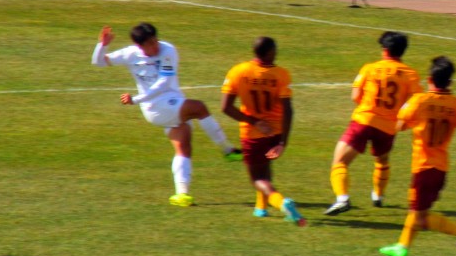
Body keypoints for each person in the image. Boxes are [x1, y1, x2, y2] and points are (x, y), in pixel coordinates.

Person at [92, 22, 242, 207]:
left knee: (184, 147)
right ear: (140, 46)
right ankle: (227, 150)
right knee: (199, 107)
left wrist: (136, 99)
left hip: (171, 103)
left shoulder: (168, 50)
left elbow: (163, 82)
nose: (155, 46)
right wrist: (103, 45)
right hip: (155, 108)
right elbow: (98, 62)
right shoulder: (130, 54)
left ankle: (182, 195)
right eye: (150, 44)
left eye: (156, 40)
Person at [379, 56, 456, 256]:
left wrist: (411, 123)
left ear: (429, 79)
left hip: (424, 168)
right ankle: (402, 246)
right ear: (450, 82)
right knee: (416, 209)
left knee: (420, 217)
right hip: (440, 168)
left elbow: (399, 124)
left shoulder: (419, 101)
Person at [324, 31, 421, 215]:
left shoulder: (369, 68)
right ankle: (378, 196)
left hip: (364, 121)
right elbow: (416, 103)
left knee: (340, 162)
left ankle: (342, 198)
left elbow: (355, 96)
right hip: (388, 127)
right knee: (382, 160)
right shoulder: (411, 74)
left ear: (384, 50)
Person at [221, 36, 305, 225]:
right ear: (269, 52)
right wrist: (283, 141)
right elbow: (288, 110)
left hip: (252, 134)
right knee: (265, 168)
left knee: (257, 178)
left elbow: (225, 107)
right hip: (275, 133)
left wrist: (254, 121)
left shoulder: (238, 71)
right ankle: (261, 208)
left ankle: (282, 203)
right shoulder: (281, 74)